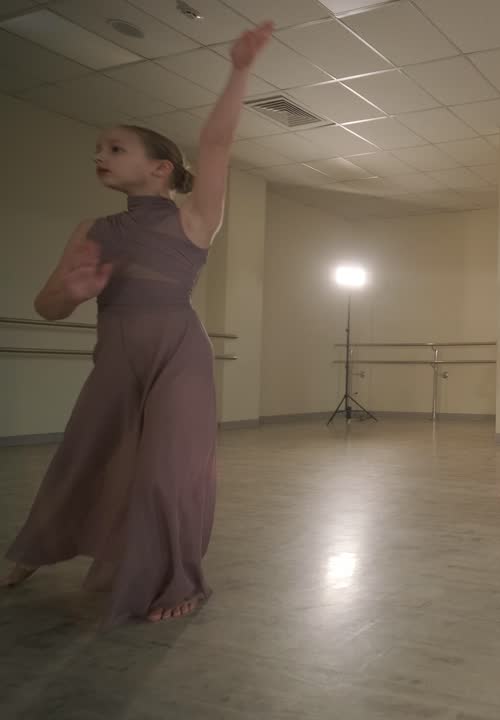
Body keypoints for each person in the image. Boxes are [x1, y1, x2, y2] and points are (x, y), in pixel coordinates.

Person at [2, 23, 275, 624]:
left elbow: (217, 143)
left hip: (178, 353)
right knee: (84, 456)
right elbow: (47, 306)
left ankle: (181, 580)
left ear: (160, 168)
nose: (100, 156)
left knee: (170, 471)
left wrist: (239, 70)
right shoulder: (93, 229)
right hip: (116, 352)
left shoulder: (195, 218)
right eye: (98, 149)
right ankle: (34, 550)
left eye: (116, 148)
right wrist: (71, 292)